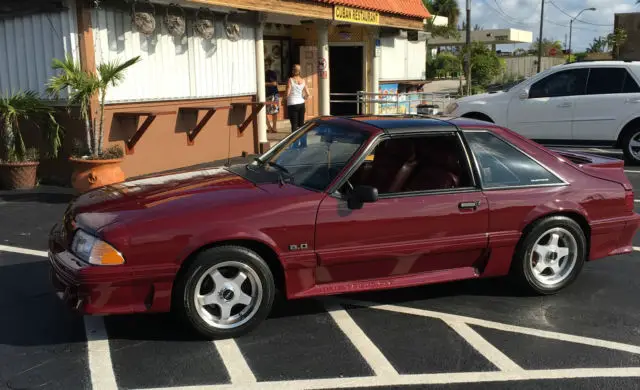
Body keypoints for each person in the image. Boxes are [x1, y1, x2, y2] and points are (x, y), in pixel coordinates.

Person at [285, 64, 310, 133]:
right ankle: (303, 141)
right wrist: (303, 98)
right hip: (301, 104)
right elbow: (308, 94)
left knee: (294, 125)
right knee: (301, 124)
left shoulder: (290, 80)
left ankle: (294, 142)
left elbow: (288, 93)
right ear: (299, 72)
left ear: (293, 71)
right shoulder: (303, 80)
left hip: (292, 104)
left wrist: (284, 99)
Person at [264, 56, 279, 133]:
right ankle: (269, 127)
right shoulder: (261, 73)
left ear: (269, 65)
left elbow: (274, 83)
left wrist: (265, 84)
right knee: (263, 112)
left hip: (273, 94)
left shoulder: (272, 73)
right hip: (264, 95)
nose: (265, 66)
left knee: (274, 111)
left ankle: (274, 127)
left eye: (266, 65)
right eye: (264, 64)